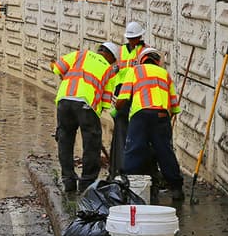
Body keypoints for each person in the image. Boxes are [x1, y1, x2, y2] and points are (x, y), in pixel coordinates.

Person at [51, 41, 120, 194]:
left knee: (65, 141)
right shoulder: (109, 70)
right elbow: (106, 101)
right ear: (111, 57)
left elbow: (56, 67)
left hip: (64, 101)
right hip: (87, 107)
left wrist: (68, 80)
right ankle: (86, 183)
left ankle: (68, 181)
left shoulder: (80, 54)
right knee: (91, 145)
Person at [122, 48, 186, 201]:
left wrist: (117, 110)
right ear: (157, 61)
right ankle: (176, 188)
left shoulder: (135, 71)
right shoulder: (165, 74)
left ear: (141, 60)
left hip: (140, 115)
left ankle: (129, 187)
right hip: (162, 116)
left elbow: (123, 98)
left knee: (134, 150)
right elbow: (174, 108)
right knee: (165, 152)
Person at [102, 20, 146, 176]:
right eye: (130, 38)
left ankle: (133, 168)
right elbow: (114, 69)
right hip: (121, 93)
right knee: (120, 130)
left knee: (136, 131)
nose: (132, 41)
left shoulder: (145, 52)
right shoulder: (120, 51)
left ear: (140, 37)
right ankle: (119, 167)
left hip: (138, 92)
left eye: (134, 38)